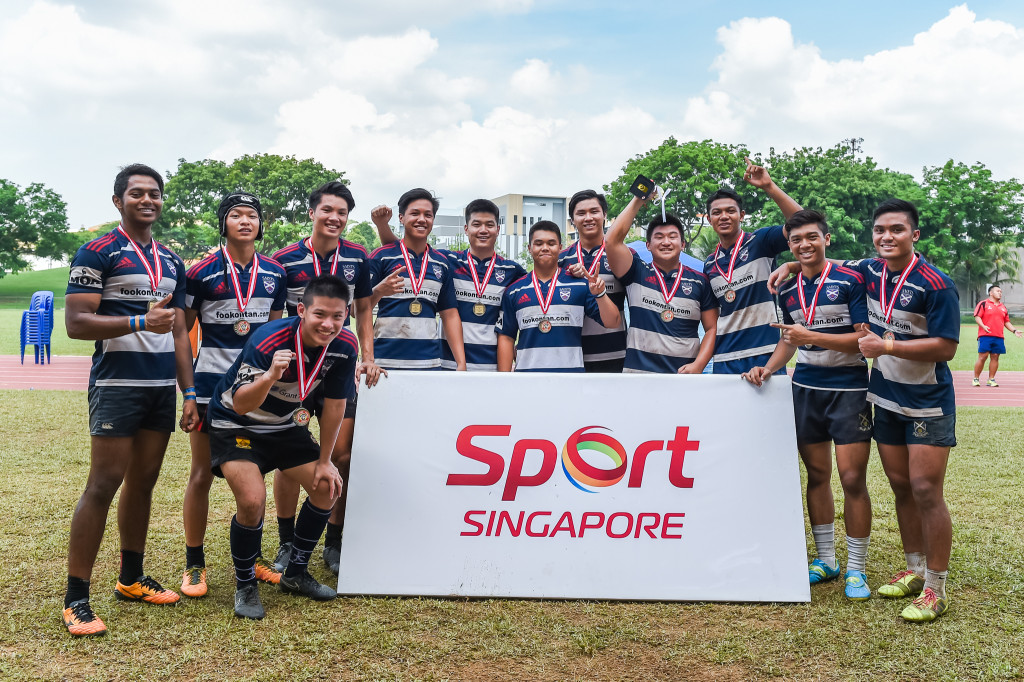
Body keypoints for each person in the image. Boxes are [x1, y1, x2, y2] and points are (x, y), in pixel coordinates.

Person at [62, 164, 198, 637]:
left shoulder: (172, 260)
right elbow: (76, 323)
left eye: (154, 193)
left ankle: (131, 578)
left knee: (143, 483)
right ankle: (76, 598)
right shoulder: (97, 251)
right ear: (118, 201)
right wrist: (138, 322)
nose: (147, 200)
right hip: (117, 385)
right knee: (103, 484)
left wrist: (189, 391)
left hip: (159, 388)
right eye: (137, 193)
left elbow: (179, 331)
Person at [741, 210, 874, 600]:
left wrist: (809, 336)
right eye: (796, 239)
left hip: (849, 387)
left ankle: (857, 569)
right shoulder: (786, 288)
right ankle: (827, 560)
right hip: (805, 388)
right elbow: (789, 340)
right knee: (817, 476)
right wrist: (767, 368)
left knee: (852, 478)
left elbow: (862, 341)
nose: (804, 245)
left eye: (812, 237)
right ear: (789, 244)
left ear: (826, 239)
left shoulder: (850, 279)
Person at [206, 275, 356, 619]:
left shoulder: (345, 345)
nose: (328, 324)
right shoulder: (269, 338)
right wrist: (270, 376)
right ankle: (245, 584)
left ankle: (296, 574)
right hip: (237, 424)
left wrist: (325, 461)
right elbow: (241, 404)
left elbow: (335, 405)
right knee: (252, 500)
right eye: (320, 314)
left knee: (327, 486)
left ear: (346, 314)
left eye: (337, 316)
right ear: (301, 310)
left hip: (285, 427)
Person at [271, 181, 383, 575]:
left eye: (342, 213)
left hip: (338, 367)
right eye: (327, 210)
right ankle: (287, 542)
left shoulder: (357, 257)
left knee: (342, 455)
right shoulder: (284, 260)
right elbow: (275, 318)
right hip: (295, 373)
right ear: (312, 212)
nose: (334, 218)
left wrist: (367, 357)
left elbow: (364, 310)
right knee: (288, 458)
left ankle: (334, 540)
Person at [180, 192, 288, 598]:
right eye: (236, 215)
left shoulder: (275, 273)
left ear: (261, 224)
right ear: (223, 223)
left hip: (255, 390)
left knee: (255, 472)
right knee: (201, 473)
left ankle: (253, 558)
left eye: (252, 215)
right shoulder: (201, 272)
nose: (245, 221)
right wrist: (189, 392)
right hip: (210, 389)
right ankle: (194, 564)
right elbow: (182, 333)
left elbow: (274, 335)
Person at [372, 198, 527, 370]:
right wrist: (382, 226)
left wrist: (523, 346)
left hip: (491, 366)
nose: (483, 230)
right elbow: (404, 250)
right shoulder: (448, 261)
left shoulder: (512, 270)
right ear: (466, 229)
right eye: (476, 224)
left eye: (489, 225)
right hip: (448, 365)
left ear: (498, 230)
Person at [703, 158, 802, 374]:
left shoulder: (760, 241)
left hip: (764, 353)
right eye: (717, 213)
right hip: (725, 357)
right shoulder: (709, 264)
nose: (724, 216)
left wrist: (769, 186)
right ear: (709, 219)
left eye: (730, 211)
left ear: (741, 215)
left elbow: (802, 222)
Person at [604, 195, 717, 373]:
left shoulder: (700, 281)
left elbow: (712, 328)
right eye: (659, 237)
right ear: (648, 245)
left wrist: (699, 365)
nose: (666, 242)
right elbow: (611, 241)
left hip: (683, 378)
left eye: (672, 237)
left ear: (683, 244)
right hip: (639, 377)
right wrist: (638, 199)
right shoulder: (636, 272)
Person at [497, 221, 621, 371]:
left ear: (560, 247)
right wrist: (504, 379)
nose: (545, 248)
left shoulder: (580, 285)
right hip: (527, 378)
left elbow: (613, 322)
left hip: (570, 378)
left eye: (551, 243)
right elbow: (506, 337)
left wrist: (600, 293)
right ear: (529, 248)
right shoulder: (514, 290)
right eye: (538, 243)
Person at [367, 188, 466, 371]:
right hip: (383, 365)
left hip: (430, 364)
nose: (422, 219)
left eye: (428, 215)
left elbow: (450, 314)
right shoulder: (380, 256)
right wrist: (379, 291)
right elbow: (356, 311)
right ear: (401, 218)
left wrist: (461, 363)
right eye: (414, 213)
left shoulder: (441, 263)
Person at [558, 189, 628, 373]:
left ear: (605, 215)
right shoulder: (560, 260)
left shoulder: (622, 256)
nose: (588, 218)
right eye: (581, 213)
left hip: (615, 356)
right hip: (571, 358)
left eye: (594, 211)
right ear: (572, 220)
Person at [972, 285, 1022, 386]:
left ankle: (991, 379)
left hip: (999, 337)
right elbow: (977, 316)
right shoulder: (983, 303)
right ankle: (976, 379)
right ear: (991, 293)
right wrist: (983, 326)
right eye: (997, 291)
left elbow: (1006, 322)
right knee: (983, 356)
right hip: (985, 335)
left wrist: (1014, 330)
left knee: (995, 357)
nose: (1000, 293)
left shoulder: (1003, 307)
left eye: (1001, 291)